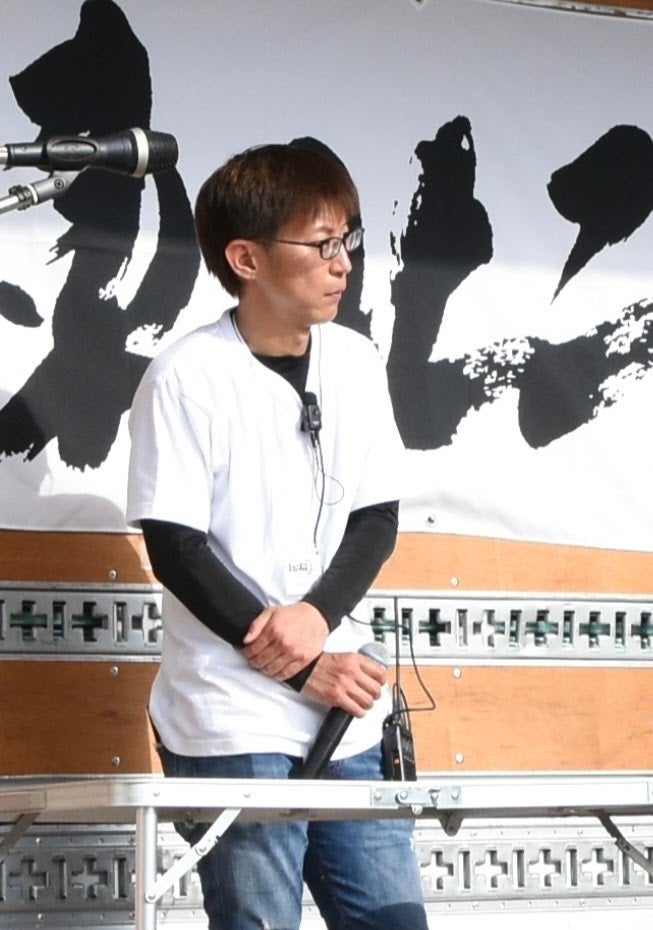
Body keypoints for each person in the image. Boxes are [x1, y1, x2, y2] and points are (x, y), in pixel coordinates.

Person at [126, 142, 428, 930]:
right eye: (321, 243)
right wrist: (301, 667)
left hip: (346, 711)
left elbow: (375, 518)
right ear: (245, 259)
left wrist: (319, 620)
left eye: (347, 239)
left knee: (393, 919)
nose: (342, 263)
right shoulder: (185, 375)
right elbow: (176, 546)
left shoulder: (355, 360)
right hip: (232, 714)